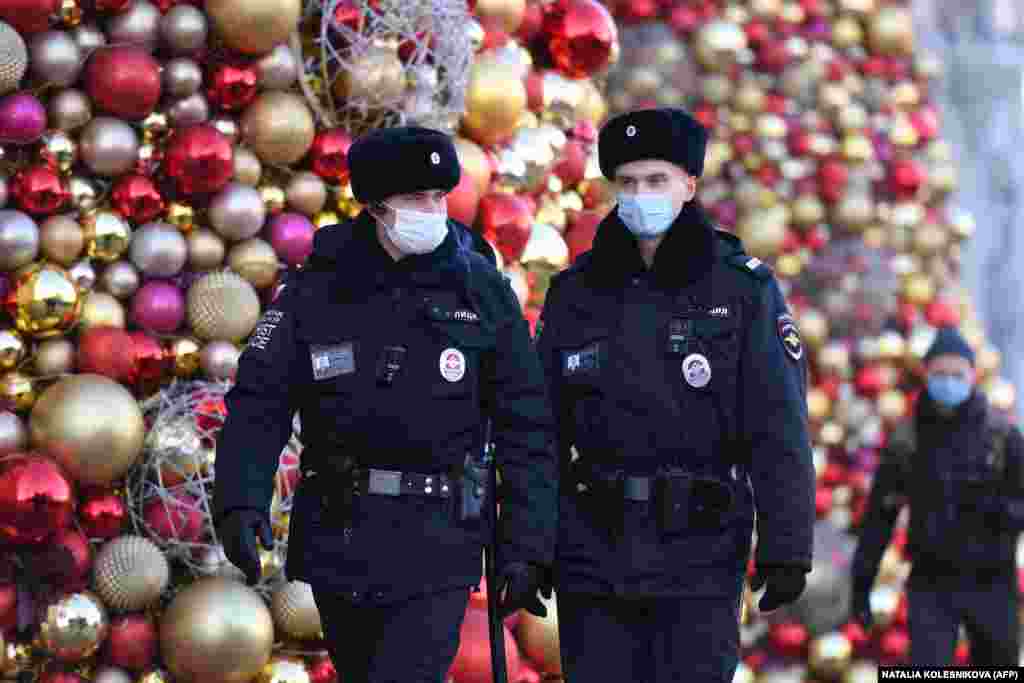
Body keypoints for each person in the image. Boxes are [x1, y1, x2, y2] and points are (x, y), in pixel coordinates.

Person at [214, 126, 558, 682]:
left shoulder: (480, 291)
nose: (432, 210)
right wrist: (239, 500)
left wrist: (528, 544)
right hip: (341, 532)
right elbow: (260, 403)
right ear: (375, 206)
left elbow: (527, 425)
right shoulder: (317, 290)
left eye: (438, 197)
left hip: (438, 538)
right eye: (414, 199)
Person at [536, 107, 816, 682]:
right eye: (629, 183)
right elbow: (539, 431)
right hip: (594, 550)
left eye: (656, 180)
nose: (641, 195)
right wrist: (529, 543)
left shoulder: (741, 289)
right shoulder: (575, 293)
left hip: (700, 552)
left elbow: (778, 426)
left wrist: (788, 546)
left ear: (689, 184)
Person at [851, 326, 1024, 666]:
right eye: (940, 373)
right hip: (931, 581)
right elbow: (878, 518)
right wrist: (862, 585)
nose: (948, 381)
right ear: (926, 374)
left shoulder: (1003, 436)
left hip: (992, 579)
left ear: (972, 375)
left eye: (956, 373)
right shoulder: (907, 440)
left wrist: (1000, 512)